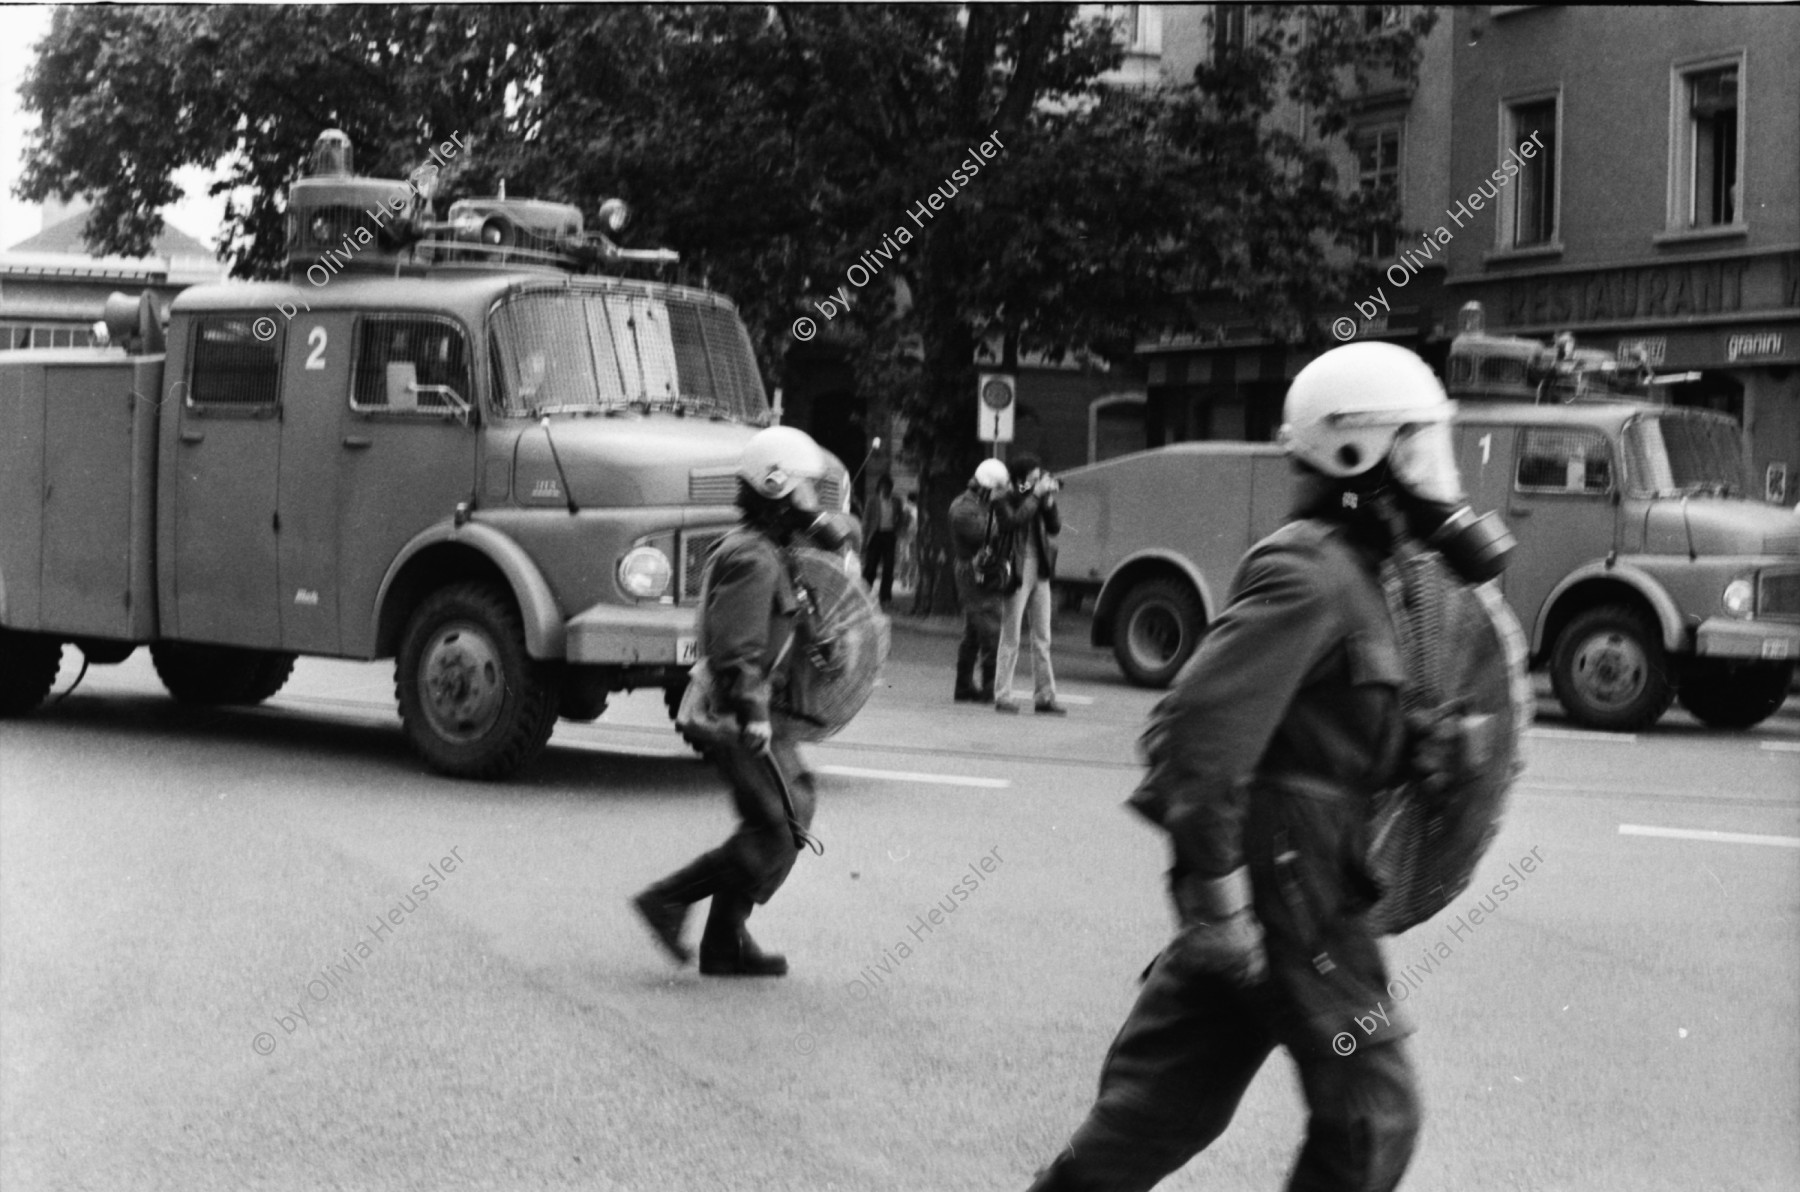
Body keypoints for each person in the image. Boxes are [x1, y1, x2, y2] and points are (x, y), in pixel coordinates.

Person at [1022, 342, 1516, 1191]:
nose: (1433, 469)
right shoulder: (1310, 571)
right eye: (1415, 445)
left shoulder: (1376, 574)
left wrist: (1435, 746)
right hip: (1296, 879)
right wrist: (1220, 908)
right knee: (1372, 1114)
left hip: (1299, 869)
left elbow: (1331, 725)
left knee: (1161, 1107)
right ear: (1357, 451)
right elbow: (1199, 742)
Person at [632, 425, 834, 978]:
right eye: (807, 492)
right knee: (778, 825)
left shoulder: (770, 551)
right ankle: (668, 900)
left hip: (748, 706)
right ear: (778, 488)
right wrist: (754, 715)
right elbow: (736, 648)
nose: (815, 504)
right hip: (734, 711)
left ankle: (725, 943)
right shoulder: (756, 559)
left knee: (787, 812)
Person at [992, 453, 1065, 715]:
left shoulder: (1035, 497)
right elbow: (1013, 521)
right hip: (1017, 570)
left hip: (1041, 570)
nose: (1037, 480)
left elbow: (1055, 527)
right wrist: (1035, 496)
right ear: (1021, 477)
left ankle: (1045, 696)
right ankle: (1002, 695)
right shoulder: (1002, 497)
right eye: (1033, 477)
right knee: (1011, 635)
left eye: (1039, 477)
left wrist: (1048, 500)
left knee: (1042, 636)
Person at [949, 459, 1010, 702]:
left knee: (974, 631)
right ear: (985, 486)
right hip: (972, 572)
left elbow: (1014, 493)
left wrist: (1030, 488)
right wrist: (1006, 513)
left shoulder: (984, 502)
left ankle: (963, 687)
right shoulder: (963, 509)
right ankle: (989, 687)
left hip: (984, 570)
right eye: (996, 490)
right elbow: (988, 533)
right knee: (991, 627)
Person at [861, 474, 904, 605]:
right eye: (883, 487)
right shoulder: (872, 501)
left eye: (888, 487)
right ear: (879, 487)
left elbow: (901, 517)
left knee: (889, 567)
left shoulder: (896, 501)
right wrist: (865, 538)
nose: (886, 490)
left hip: (889, 535)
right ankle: (864, 594)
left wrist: (898, 530)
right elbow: (866, 520)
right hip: (875, 535)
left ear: (891, 488)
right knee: (871, 567)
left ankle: (885, 596)